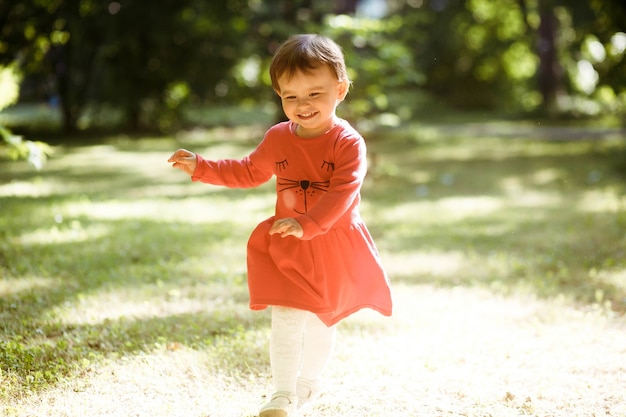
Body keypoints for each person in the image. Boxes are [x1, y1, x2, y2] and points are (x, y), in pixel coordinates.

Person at [168, 33, 392, 417]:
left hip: (332, 243)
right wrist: (202, 167)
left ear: (340, 90)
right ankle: (282, 394)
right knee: (286, 315)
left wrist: (310, 224)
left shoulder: (348, 143)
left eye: (314, 94)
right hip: (289, 240)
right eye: (291, 97)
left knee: (324, 318)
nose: (302, 106)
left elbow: (342, 194)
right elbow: (248, 171)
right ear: (279, 96)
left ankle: (309, 384)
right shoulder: (278, 138)